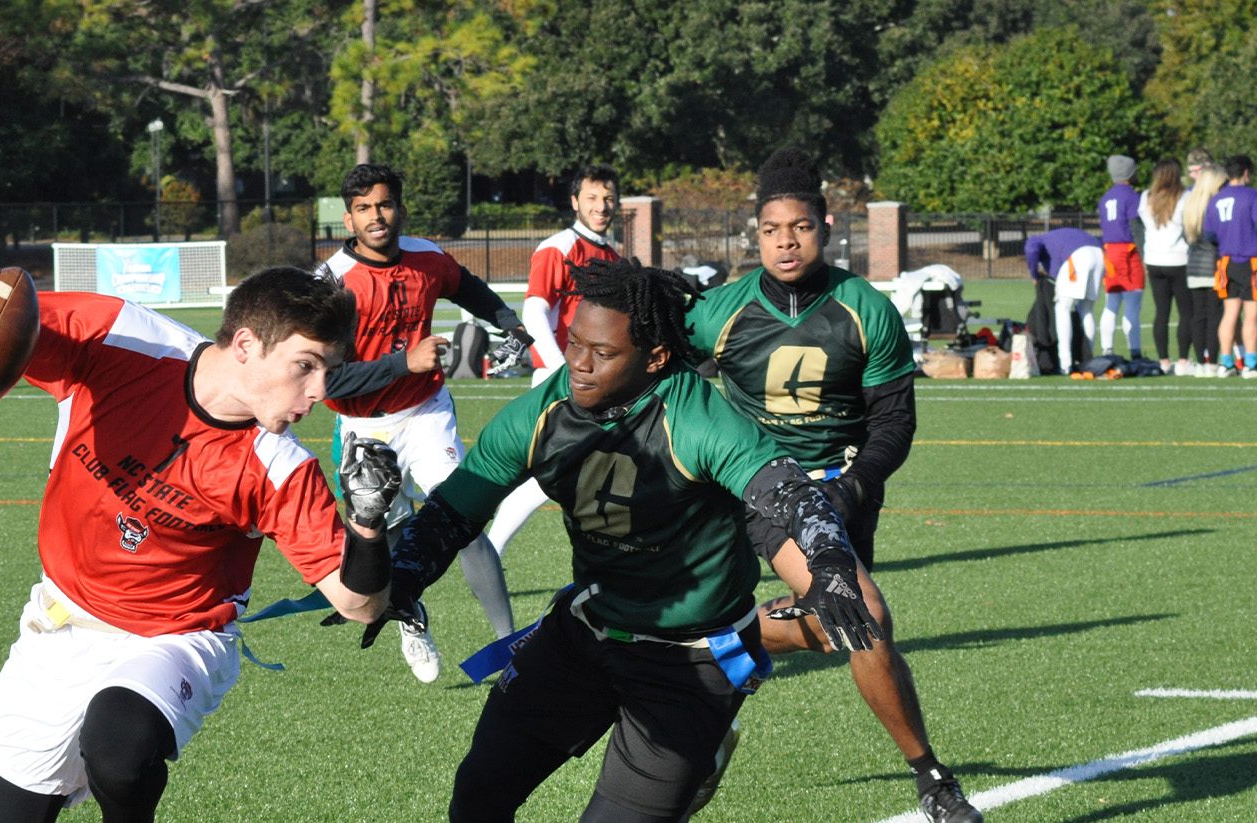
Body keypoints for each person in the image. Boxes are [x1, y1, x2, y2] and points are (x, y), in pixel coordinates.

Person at [370, 258, 878, 822]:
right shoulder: (544, 411)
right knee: (477, 797)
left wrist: (831, 561)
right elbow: (453, 511)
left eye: (604, 354)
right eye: (574, 344)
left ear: (655, 357)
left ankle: (701, 751)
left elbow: (789, 493)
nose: (580, 366)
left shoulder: (698, 417)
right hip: (585, 631)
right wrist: (403, 580)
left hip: (688, 662)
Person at [0, 264, 396, 821]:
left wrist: (369, 524)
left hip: (176, 636)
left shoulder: (277, 465)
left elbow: (360, 604)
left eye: (330, 369)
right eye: (305, 366)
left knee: (118, 749)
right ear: (247, 345)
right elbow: (0, 324)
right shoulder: (117, 337)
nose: (321, 390)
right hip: (62, 620)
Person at [684, 149, 982, 823]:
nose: (785, 241)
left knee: (834, 623)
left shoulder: (864, 308)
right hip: (764, 489)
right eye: (770, 229)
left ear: (826, 226)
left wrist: (854, 487)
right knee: (865, 612)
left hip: (847, 493)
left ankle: (719, 642)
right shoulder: (719, 312)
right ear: (753, 234)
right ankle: (933, 779)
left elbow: (894, 424)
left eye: (800, 226)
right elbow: (653, 365)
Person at [316, 162, 530, 682]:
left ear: (401, 209)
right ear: (348, 218)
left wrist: (510, 324)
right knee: (385, 544)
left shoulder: (427, 257)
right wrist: (402, 363)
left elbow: (468, 287)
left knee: (464, 521)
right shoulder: (328, 285)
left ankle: (512, 649)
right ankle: (410, 615)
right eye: (363, 208)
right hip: (362, 428)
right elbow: (327, 384)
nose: (376, 216)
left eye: (384, 204)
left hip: (427, 413)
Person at [485, 164, 623, 565]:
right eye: (593, 198)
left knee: (582, 472)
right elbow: (533, 312)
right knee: (558, 475)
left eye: (608, 198)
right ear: (575, 201)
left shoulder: (611, 255)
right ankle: (489, 550)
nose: (602, 206)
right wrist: (561, 369)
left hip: (595, 379)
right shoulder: (559, 247)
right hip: (562, 376)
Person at [1202, 155, 1257, 378]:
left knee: (1230, 313)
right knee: (1252, 315)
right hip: (1250, 260)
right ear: (1246, 172)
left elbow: (1209, 234)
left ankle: (1226, 363)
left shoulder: (1216, 199)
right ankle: (1251, 364)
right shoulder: (1253, 195)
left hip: (1225, 262)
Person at [1025, 226, 1104, 376]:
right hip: (1098, 254)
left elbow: (1031, 248)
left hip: (1077, 258)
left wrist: (1034, 274)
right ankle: (1088, 357)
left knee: (1063, 309)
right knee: (1087, 309)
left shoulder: (1040, 240)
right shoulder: (1058, 241)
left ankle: (1065, 363)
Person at [1138, 158, 1190, 374]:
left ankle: (1163, 360)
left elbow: (1142, 221)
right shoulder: (1184, 197)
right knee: (1186, 312)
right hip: (1178, 259)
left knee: (1162, 312)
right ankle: (1183, 361)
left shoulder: (1145, 197)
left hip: (1154, 260)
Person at [1179, 149, 1225, 376]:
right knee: (1215, 316)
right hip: (1212, 265)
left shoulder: (1190, 203)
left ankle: (1200, 361)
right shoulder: (1214, 204)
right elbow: (1216, 237)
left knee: (1198, 316)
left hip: (1193, 266)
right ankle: (1213, 362)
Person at [1097, 154, 1145, 360]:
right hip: (1128, 252)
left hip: (1109, 252)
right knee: (1133, 304)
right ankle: (1135, 350)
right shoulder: (1132, 196)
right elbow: (1136, 226)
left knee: (1111, 303)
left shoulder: (1106, 197)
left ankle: (1107, 349)